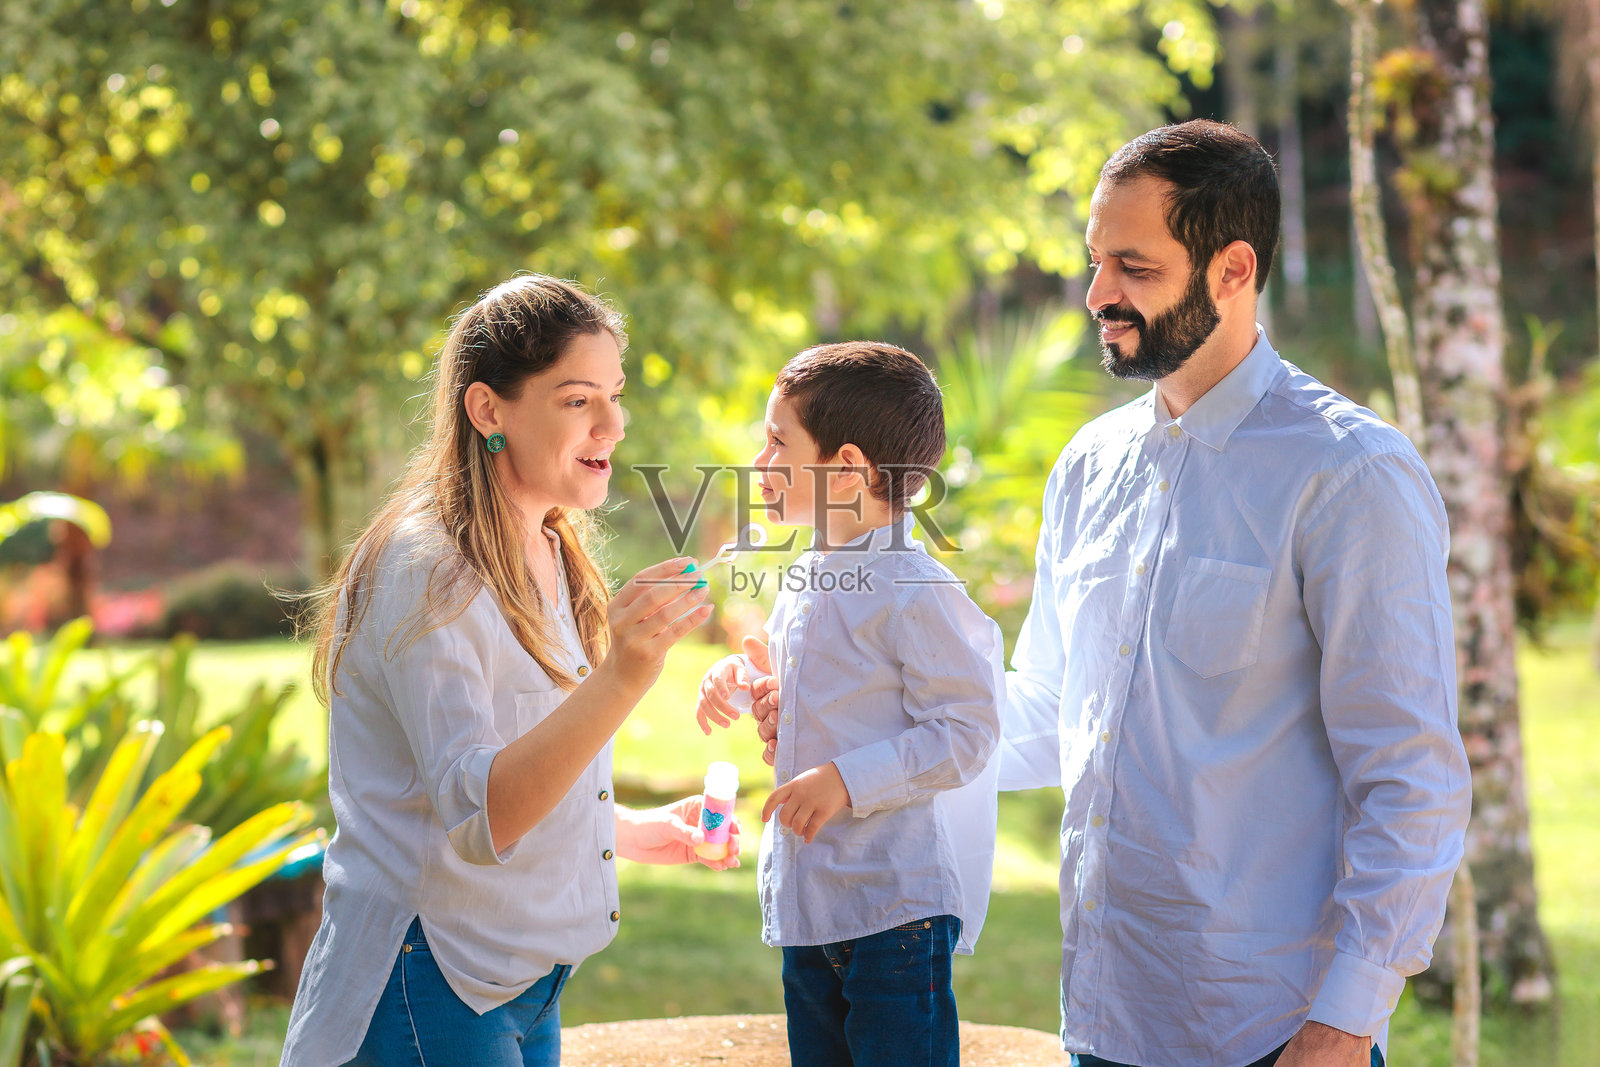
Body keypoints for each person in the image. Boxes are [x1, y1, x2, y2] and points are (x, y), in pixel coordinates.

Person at [753, 120, 1473, 1067]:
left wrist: (1346, 1021)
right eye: (1096, 260)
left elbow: (1410, 777)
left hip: (1273, 1029)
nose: (1098, 294)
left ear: (1232, 269)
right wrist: (856, 737)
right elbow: (1052, 712)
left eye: (1134, 267)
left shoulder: (1349, 473)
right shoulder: (1089, 465)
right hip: (1105, 1017)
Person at [281, 275, 738, 1067]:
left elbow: (521, 761)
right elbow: (479, 813)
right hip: (429, 978)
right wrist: (622, 676)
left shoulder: (551, 546)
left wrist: (628, 830)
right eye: (577, 399)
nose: (612, 424)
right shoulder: (429, 567)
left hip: (516, 980)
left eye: (615, 395)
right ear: (489, 410)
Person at [696, 342, 1003, 1067]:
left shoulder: (914, 588)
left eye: (778, 442)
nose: (759, 462)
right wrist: (752, 684)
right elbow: (815, 697)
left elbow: (967, 730)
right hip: (814, 906)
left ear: (847, 469)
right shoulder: (807, 575)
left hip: (893, 912)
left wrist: (843, 779)